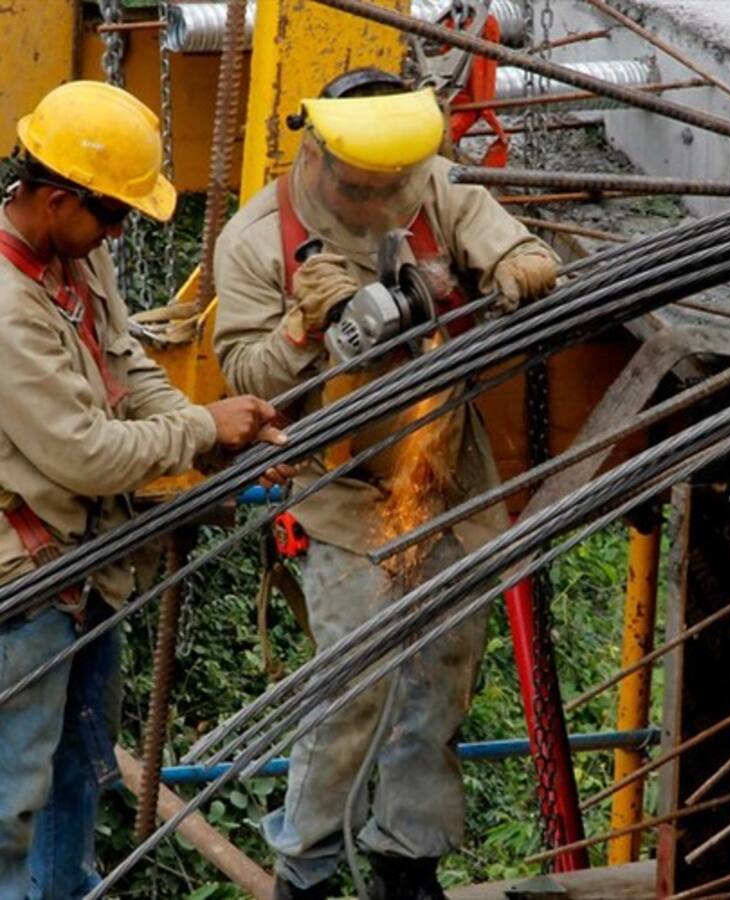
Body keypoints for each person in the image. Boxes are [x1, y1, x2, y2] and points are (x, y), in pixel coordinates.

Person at [213, 69, 558, 900]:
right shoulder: (256, 240)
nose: (380, 203)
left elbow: (516, 246)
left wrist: (518, 270)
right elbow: (245, 379)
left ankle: (408, 862)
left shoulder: (430, 185)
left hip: (446, 474)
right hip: (345, 493)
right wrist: (306, 324)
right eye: (363, 188)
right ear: (321, 158)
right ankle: (307, 871)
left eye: (391, 187)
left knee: (441, 680)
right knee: (350, 690)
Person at [0, 81, 289, 900]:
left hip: (84, 566)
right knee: (7, 801)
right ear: (55, 199)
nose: (119, 234)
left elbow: (128, 369)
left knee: (77, 767)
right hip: (24, 586)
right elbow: (86, 453)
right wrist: (204, 430)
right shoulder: (7, 308)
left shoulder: (74, 256)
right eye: (113, 216)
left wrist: (206, 424)